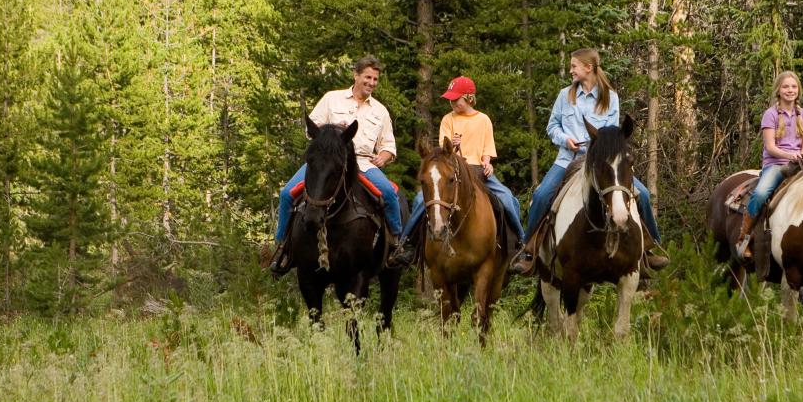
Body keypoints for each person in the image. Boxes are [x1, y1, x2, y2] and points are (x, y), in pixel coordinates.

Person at [512, 49, 669, 274]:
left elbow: (611, 136)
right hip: (567, 160)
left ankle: (649, 248)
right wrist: (565, 140)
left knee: (641, 194)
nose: (570, 70)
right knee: (541, 195)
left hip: (598, 162)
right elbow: (552, 126)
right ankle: (529, 251)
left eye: (574, 66)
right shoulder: (564, 96)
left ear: (588, 68)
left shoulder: (610, 98)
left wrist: (593, 147)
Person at [269, 56, 402, 276]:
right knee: (286, 194)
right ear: (356, 75)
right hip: (327, 160)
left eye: (375, 79)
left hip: (362, 162)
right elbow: (310, 128)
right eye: (367, 77)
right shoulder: (332, 99)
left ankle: (397, 243)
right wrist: (331, 131)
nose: (371, 83)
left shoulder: (380, 111)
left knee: (388, 192)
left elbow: (389, 146)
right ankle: (283, 247)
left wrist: (384, 157)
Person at [391, 75, 524, 266]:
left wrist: (487, 163)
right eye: (450, 99)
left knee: (507, 198)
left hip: (479, 170)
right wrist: (452, 147)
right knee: (422, 199)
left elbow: (487, 148)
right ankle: (407, 243)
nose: (452, 103)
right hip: (453, 169)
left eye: (456, 99)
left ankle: (521, 242)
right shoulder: (448, 119)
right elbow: (443, 151)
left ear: (469, 98)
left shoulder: (484, 120)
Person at [735, 71, 803, 259]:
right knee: (761, 194)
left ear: (798, 90)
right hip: (776, 164)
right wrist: (790, 155)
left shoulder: (802, 114)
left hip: (799, 163)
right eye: (786, 87)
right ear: (778, 90)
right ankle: (744, 236)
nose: (790, 90)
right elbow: (770, 147)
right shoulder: (770, 115)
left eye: (793, 87)